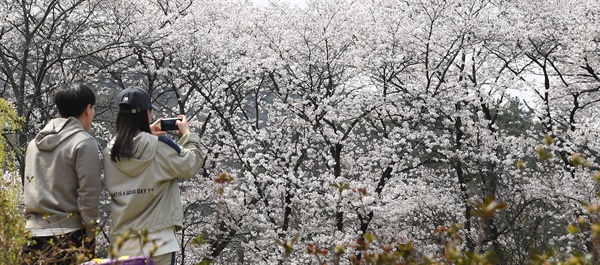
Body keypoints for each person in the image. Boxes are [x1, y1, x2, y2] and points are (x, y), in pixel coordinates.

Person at [103, 86, 204, 265]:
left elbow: (133, 146)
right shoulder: (158, 146)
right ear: (147, 114)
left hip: (123, 242)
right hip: (158, 243)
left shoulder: (110, 152)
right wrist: (188, 135)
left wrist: (146, 134)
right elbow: (191, 164)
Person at [22, 83, 101, 264]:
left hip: (31, 236)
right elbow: (88, 193)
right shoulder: (84, 142)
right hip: (67, 237)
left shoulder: (34, 144)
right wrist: (91, 234)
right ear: (88, 109)